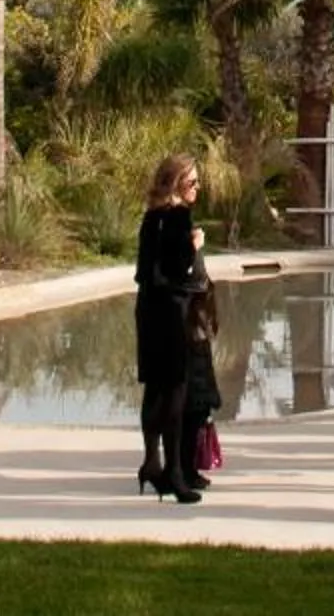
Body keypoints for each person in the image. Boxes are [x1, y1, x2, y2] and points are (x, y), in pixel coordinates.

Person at [133, 153, 207, 503]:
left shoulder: (151, 216)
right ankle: (175, 472)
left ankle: (152, 462)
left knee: (155, 388)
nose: (197, 188)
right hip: (172, 312)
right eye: (192, 182)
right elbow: (179, 268)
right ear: (177, 184)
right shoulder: (178, 216)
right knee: (175, 391)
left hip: (148, 307)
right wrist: (194, 245)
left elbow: (144, 270)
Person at [180, 282, 223, 489]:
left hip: (194, 395)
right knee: (189, 433)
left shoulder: (195, 327)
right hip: (194, 397)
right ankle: (187, 472)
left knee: (188, 433)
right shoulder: (195, 331)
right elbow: (202, 371)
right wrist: (210, 396)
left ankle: (186, 470)